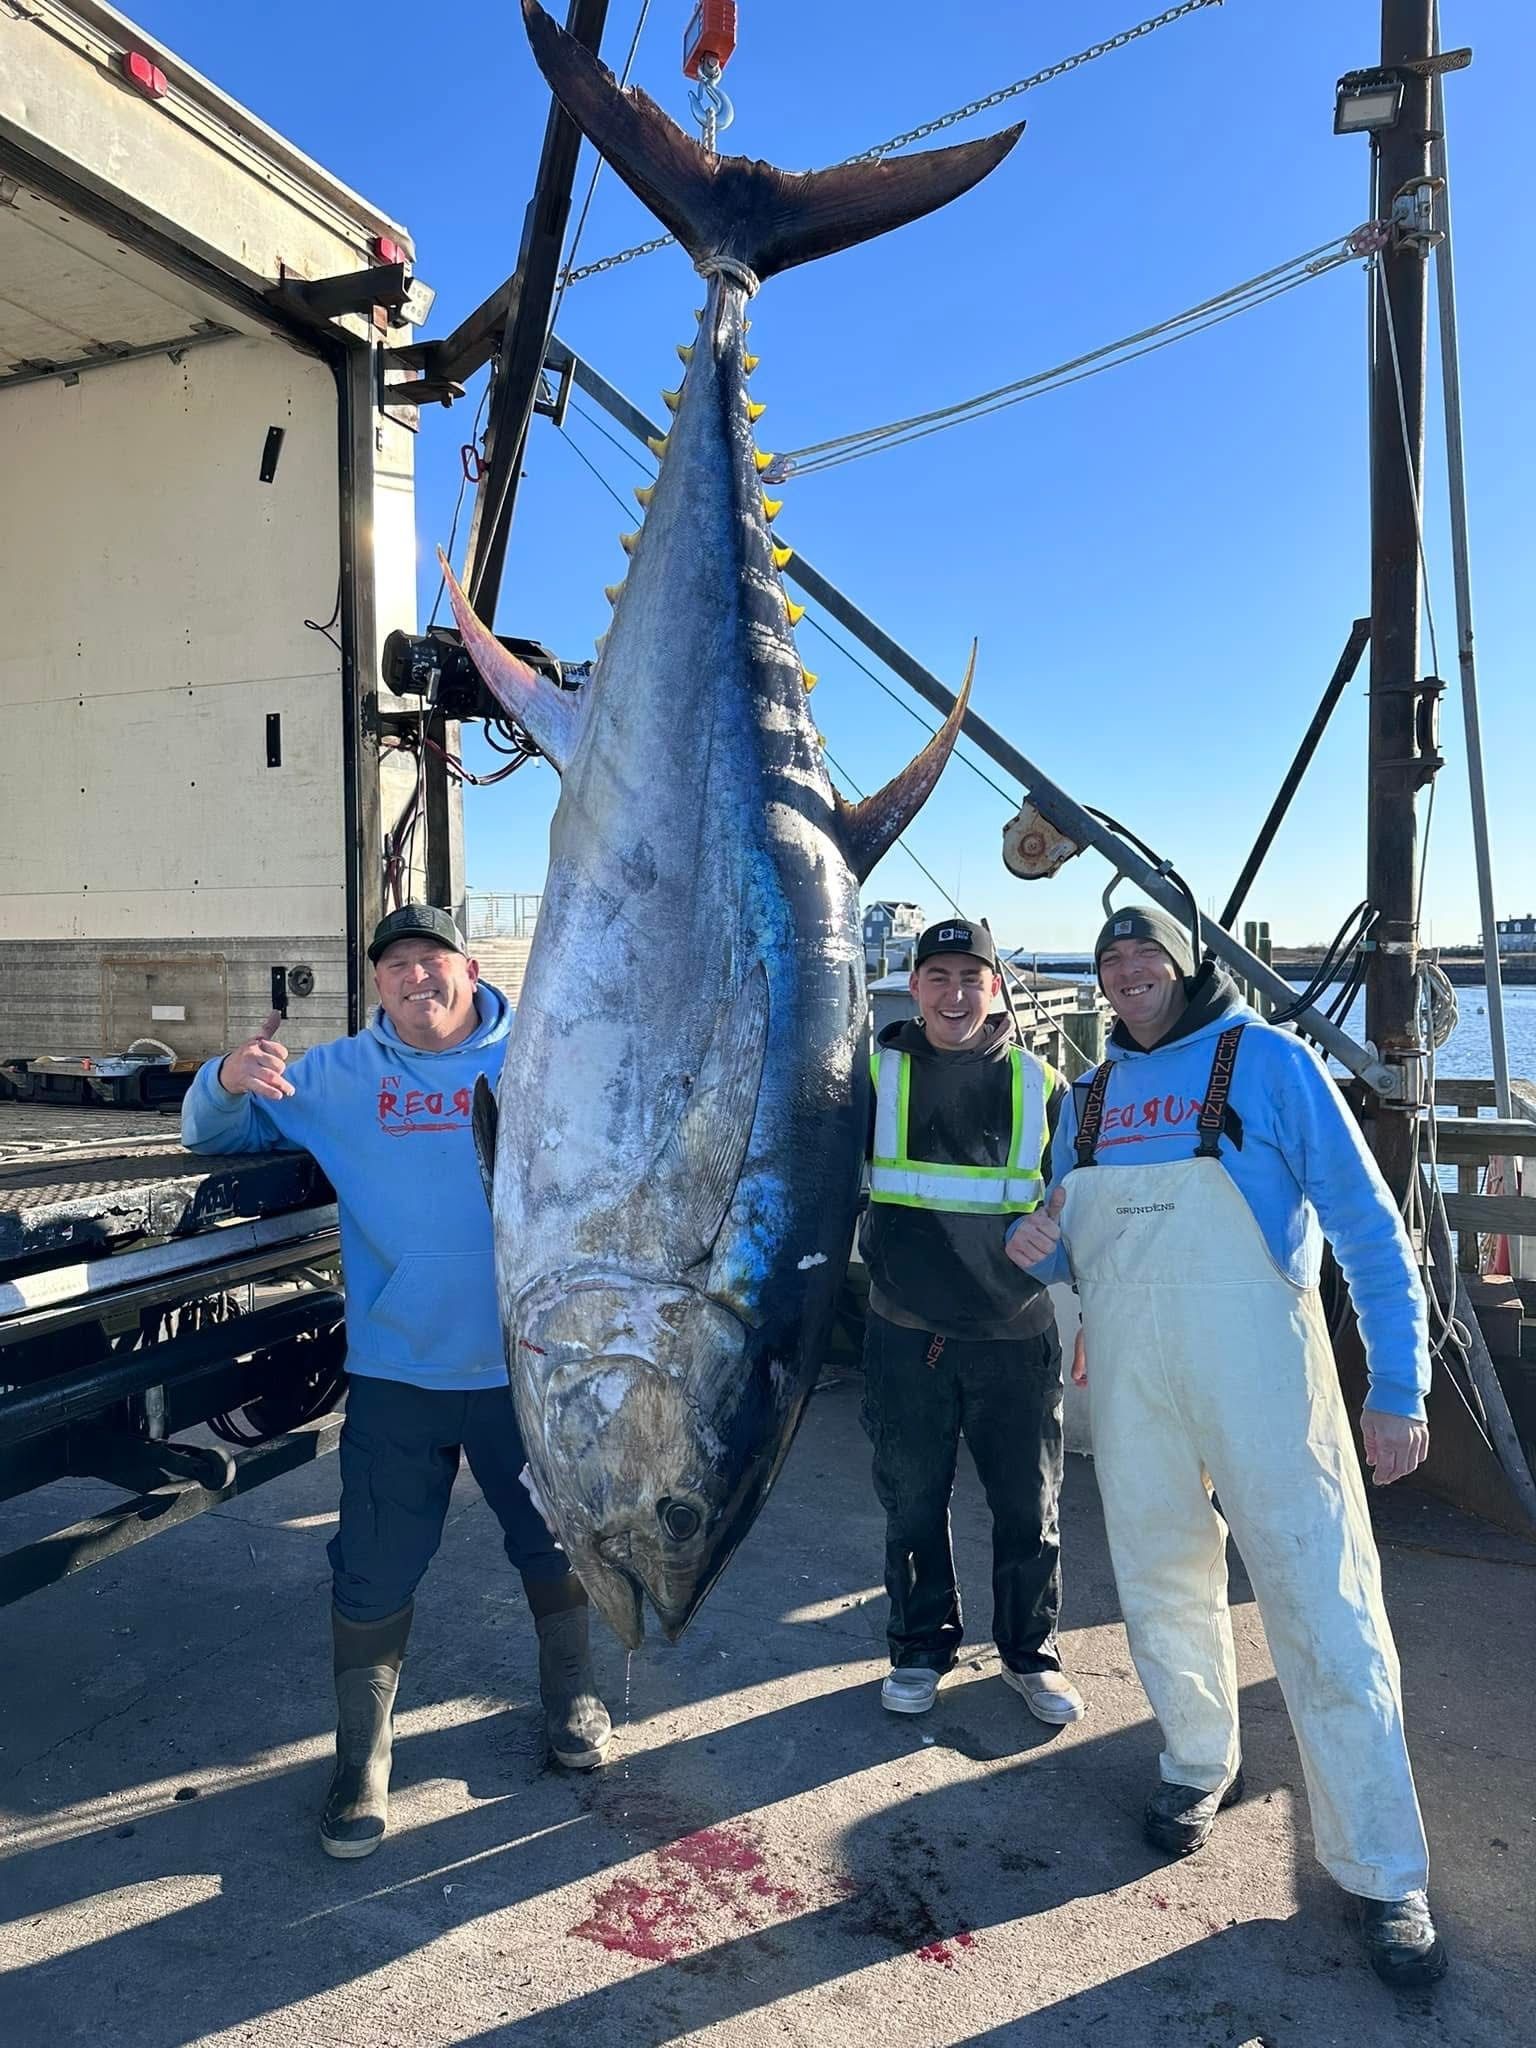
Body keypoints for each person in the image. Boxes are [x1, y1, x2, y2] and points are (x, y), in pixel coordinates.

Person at [1005, 903, 1445, 1988]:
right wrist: (1043, 1254)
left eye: (1144, 950)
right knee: (1160, 1580)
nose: (1125, 970)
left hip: (1265, 1379)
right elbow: (1071, 1236)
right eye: (1109, 959)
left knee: (1323, 1599)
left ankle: (1384, 1867)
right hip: (1136, 1385)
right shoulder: (1090, 1094)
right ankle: (1196, 1759)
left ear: (1187, 961)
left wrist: (1397, 1384)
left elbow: (1368, 1224)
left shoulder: (1272, 1061)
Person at [182, 904, 612, 1860]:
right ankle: (362, 1758)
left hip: (530, 1367)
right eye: (395, 967)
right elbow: (210, 1135)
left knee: (553, 1540)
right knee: (373, 1565)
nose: (416, 979)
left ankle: (572, 1691)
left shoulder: (545, 1056)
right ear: (376, 983)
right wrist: (223, 1077)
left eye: (432, 959)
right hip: (397, 1372)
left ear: (469, 965)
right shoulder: (337, 1076)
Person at [860, 917, 1084, 1726]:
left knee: (1030, 1509)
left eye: (971, 978)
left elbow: (1084, 1208)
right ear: (914, 988)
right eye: (939, 977)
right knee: (912, 1506)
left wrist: (1076, 1276)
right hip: (903, 1330)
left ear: (995, 990)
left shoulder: (1044, 1085)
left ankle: (1032, 1654)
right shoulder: (870, 1078)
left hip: (1015, 1336)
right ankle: (920, 1648)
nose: (955, 994)